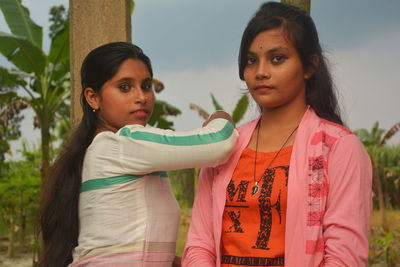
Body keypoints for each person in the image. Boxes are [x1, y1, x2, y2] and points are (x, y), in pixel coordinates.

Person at [183, 2, 372, 266]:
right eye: (251, 60)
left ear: (309, 66)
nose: (261, 72)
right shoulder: (223, 147)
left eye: (277, 58)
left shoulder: (339, 149)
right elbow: (199, 244)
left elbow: (345, 257)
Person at [39, 42, 239, 267]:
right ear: (93, 98)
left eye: (146, 86)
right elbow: (220, 142)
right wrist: (220, 117)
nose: (141, 97)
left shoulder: (107, 150)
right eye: (125, 87)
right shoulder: (122, 143)